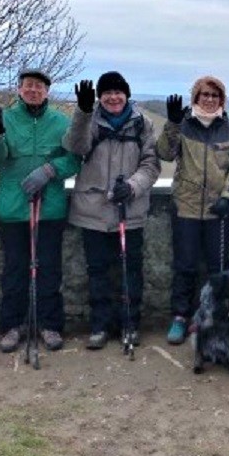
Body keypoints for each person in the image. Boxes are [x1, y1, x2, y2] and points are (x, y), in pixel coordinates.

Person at [0, 69, 80, 353]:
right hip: (15, 208)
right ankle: (12, 326)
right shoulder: (5, 118)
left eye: (39, 86)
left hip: (50, 208)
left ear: (47, 91)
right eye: (28, 86)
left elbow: (74, 160)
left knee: (49, 270)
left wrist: (50, 169)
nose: (33, 90)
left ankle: (50, 326)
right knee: (14, 270)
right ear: (19, 89)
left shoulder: (61, 122)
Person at [62, 72, 160, 349]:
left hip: (129, 210)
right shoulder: (90, 120)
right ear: (99, 96)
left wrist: (132, 186)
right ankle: (100, 326)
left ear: (127, 95)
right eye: (107, 92)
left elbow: (151, 164)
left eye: (118, 92)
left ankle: (130, 324)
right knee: (97, 272)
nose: (113, 97)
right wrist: (82, 112)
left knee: (131, 272)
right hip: (92, 210)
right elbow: (75, 147)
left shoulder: (143, 124)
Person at [156, 75, 229, 345]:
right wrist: (171, 123)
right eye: (204, 95)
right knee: (185, 265)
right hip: (186, 206)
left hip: (218, 210)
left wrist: (228, 197)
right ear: (195, 97)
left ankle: (214, 315)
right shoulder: (183, 126)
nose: (209, 99)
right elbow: (164, 153)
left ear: (221, 100)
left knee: (218, 267)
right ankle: (181, 317)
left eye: (214, 95)